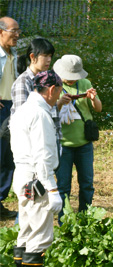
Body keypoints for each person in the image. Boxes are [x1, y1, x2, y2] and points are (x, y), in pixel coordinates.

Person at [10, 70, 63, 267]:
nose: (58, 96)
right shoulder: (41, 115)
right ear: (51, 90)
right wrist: (52, 190)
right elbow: (43, 156)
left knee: (26, 230)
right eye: (59, 91)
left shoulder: (21, 111)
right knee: (40, 234)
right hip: (37, 179)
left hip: (21, 175)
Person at [11, 38, 57, 224]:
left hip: (45, 147)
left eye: (50, 56)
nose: (48, 60)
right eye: (45, 55)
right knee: (31, 202)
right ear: (32, 57)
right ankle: (20, 240)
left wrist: (58, 104)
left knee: (38, 200)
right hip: (32, 155)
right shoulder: (23, 82)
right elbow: (26, 119)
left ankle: (23, 244)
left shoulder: (46, 80)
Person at [53, 55, 102, 226]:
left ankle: (85, 218)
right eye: (69, 76)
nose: (72, 80)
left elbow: (98, 108)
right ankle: (64, 221)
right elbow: (46, 111)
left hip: (84, 144)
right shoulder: (54, 85)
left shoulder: (85, 84)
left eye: (75, 77)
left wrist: (93, 98)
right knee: (63, 186)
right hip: (63, 144)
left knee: (87, 184)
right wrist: (59, 103)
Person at [0, 16, 19, 219]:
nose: (17, 35)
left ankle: (0, 201)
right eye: (13, 31)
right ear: (1, 31)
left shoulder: (13, 54)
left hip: (12, 107)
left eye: (18, 31)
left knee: (9, 157)